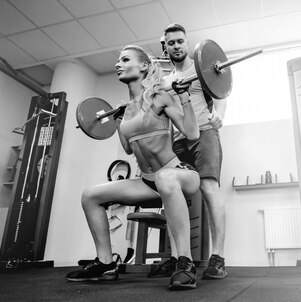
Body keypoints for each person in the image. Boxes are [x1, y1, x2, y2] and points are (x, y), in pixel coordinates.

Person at [65, 45, 200, 290]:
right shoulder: (125, 111)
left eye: (125, 60)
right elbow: (128, 149)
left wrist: (184, 97)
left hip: (180, 174)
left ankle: (185, 262)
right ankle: (105, 263)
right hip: (148, 181)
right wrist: (117, 121)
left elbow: (191, 133)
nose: (118, 64)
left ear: (144, 66)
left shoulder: (160, 97)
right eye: (118, 60)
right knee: (90, 195)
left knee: (166, 178)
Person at [151, 23, 228, 280]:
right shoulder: (163, 81)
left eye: (180, 41)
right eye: (171, 42)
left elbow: (221, 93)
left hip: (205, 132)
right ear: (166, 46)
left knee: (208, 188)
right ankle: (177, 258)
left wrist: (219, 115)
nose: (176, 46)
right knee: (170, 193)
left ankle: (217, 258)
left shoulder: (201, 67)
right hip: (177, 140)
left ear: (186, 42)